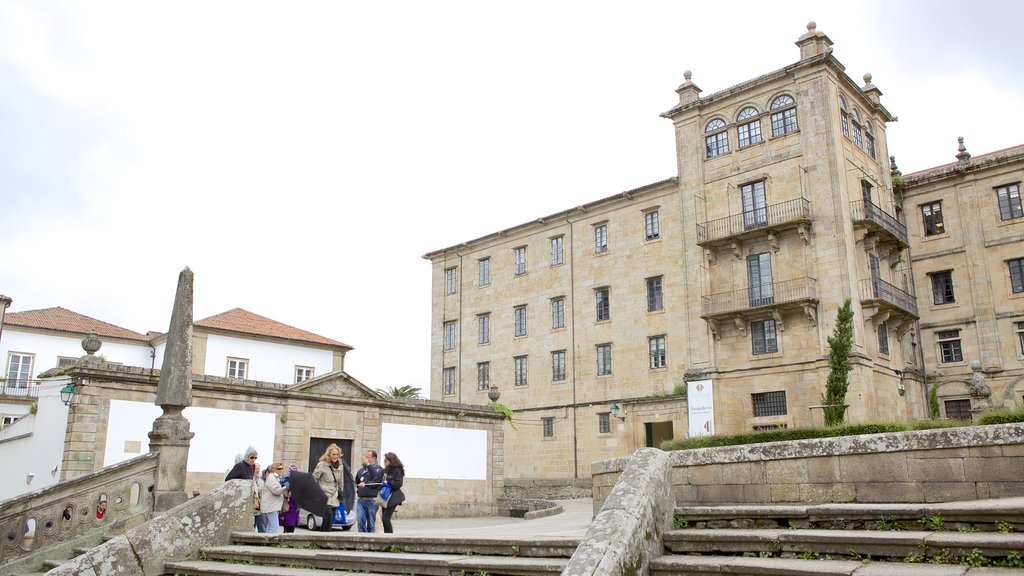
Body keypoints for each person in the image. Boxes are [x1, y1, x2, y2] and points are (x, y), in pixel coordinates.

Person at [225, 446, 262, 531]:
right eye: (251, 457)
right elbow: (228, 479)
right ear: (247, 456)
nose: (253, 460)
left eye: (255, 458)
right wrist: (241, 483)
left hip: (248, 497)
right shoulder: (240, 466)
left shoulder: (251, 467)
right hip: (240, 496)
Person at [312, 444, 343, 531]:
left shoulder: (340, 466)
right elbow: (314, 478)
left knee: (329, 519)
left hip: (334, 495)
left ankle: (321, 537)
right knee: (329, 515)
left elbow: (341, 481)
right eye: (333, 454)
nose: (335, 456)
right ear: (328, 454)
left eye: (337, 454)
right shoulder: (322, 464)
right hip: (324, 494)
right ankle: (326, 538)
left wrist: (341, 494)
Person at [354, 449, 385, 533]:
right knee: (360, 522)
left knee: (371, 524)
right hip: (361, 500)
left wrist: (368, 465)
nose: (365, 458)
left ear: (374, 458)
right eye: (365, 456)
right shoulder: (361, 470)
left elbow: (376, 479)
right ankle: (361, 540)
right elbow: (357, 481)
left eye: (368, 457)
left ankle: (370, 541)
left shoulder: (379, 469)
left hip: (372, 500)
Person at [380, 451, 406, 534]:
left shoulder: (397, 470)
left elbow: (398, 483)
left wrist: (388, 482)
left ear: (391, 461)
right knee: (384, 518)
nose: (384, 463)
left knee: (385, 518)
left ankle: (389, 536)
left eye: (385, 461)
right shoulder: (386, 470)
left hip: (393, 497)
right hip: (385, 496)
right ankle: (387, 534)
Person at [259, 461, 287, 533]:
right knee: (274, 526)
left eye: (282, 468)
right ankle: (270, 541)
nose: (281, 470)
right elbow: (276, 491)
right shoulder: (271, 478)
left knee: (270, 525)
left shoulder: (275, 478)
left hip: (272, 505)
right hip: (271, 506)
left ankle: (267, 542)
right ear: (274, 469)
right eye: (279, 469)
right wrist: (287, 487)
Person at [279, 463, 301, 533]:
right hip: (287, 507)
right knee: (287, 528)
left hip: (295, 508)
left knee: (291, 529)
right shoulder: (284, 480)